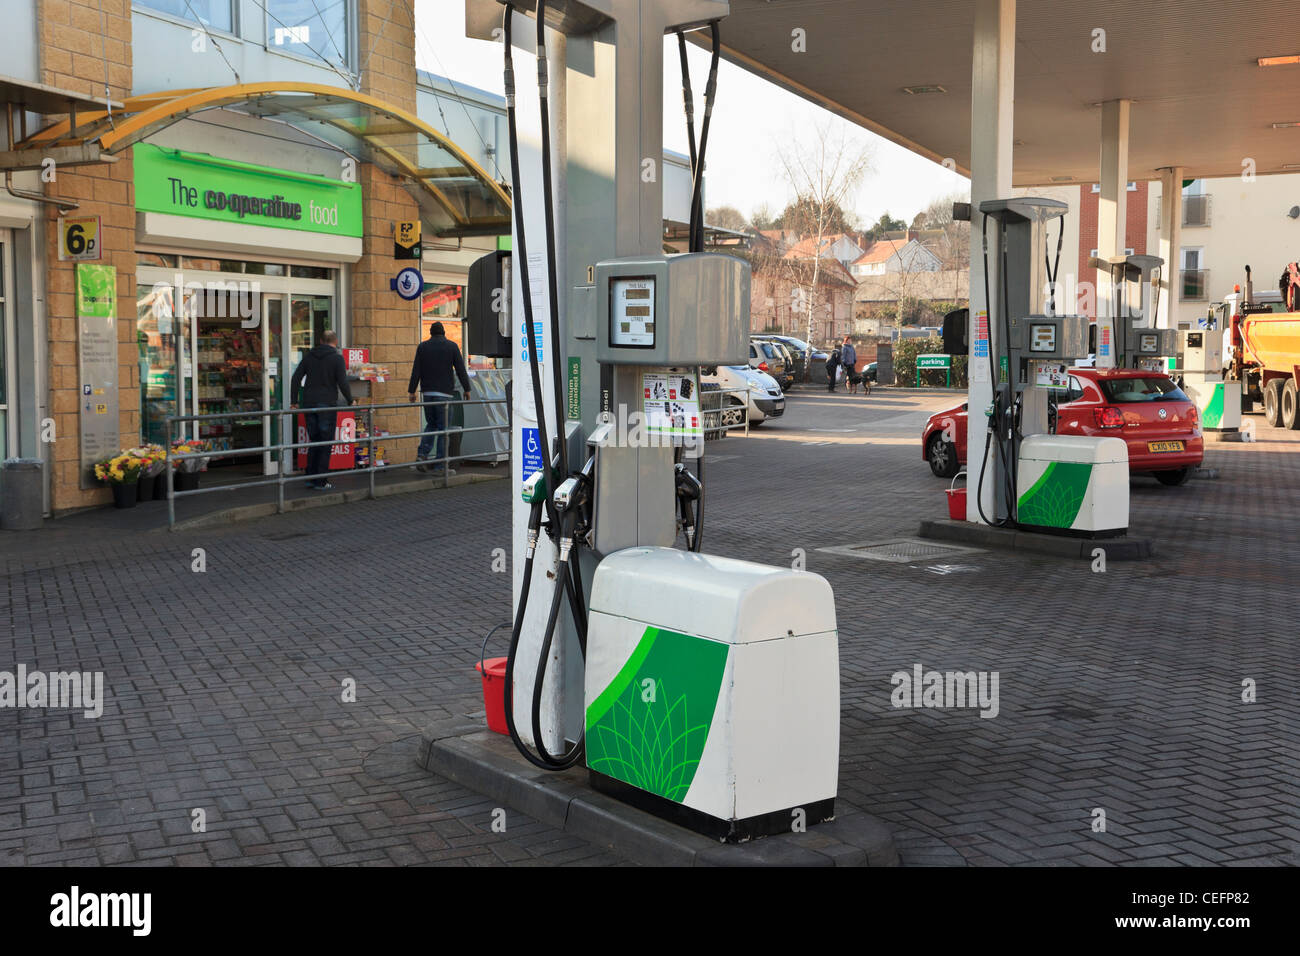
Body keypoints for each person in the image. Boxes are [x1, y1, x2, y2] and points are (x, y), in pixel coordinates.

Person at [290, 330, 353, 490]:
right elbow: (343, 383)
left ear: (320, 340)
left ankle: (311, 478)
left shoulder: (309, 357)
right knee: (325, 443)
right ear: (336, 341)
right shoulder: (337, 358)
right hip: (327, 403)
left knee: (315, 441)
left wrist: (294, 401)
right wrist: (350, 400)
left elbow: (296, 377)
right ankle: (321, 481)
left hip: (309, 402)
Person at [408, 321, 473, 476]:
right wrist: (467, 389)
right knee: (444, 429)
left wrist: (412, 391)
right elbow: (460, 370)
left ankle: (422, 455)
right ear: (443, 333)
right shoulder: (451, 347)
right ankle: (440, 466)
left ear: (431, 333)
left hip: (428, 393)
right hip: (444, 395)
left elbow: (416, 370)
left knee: (431, 424)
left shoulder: (422, 347)